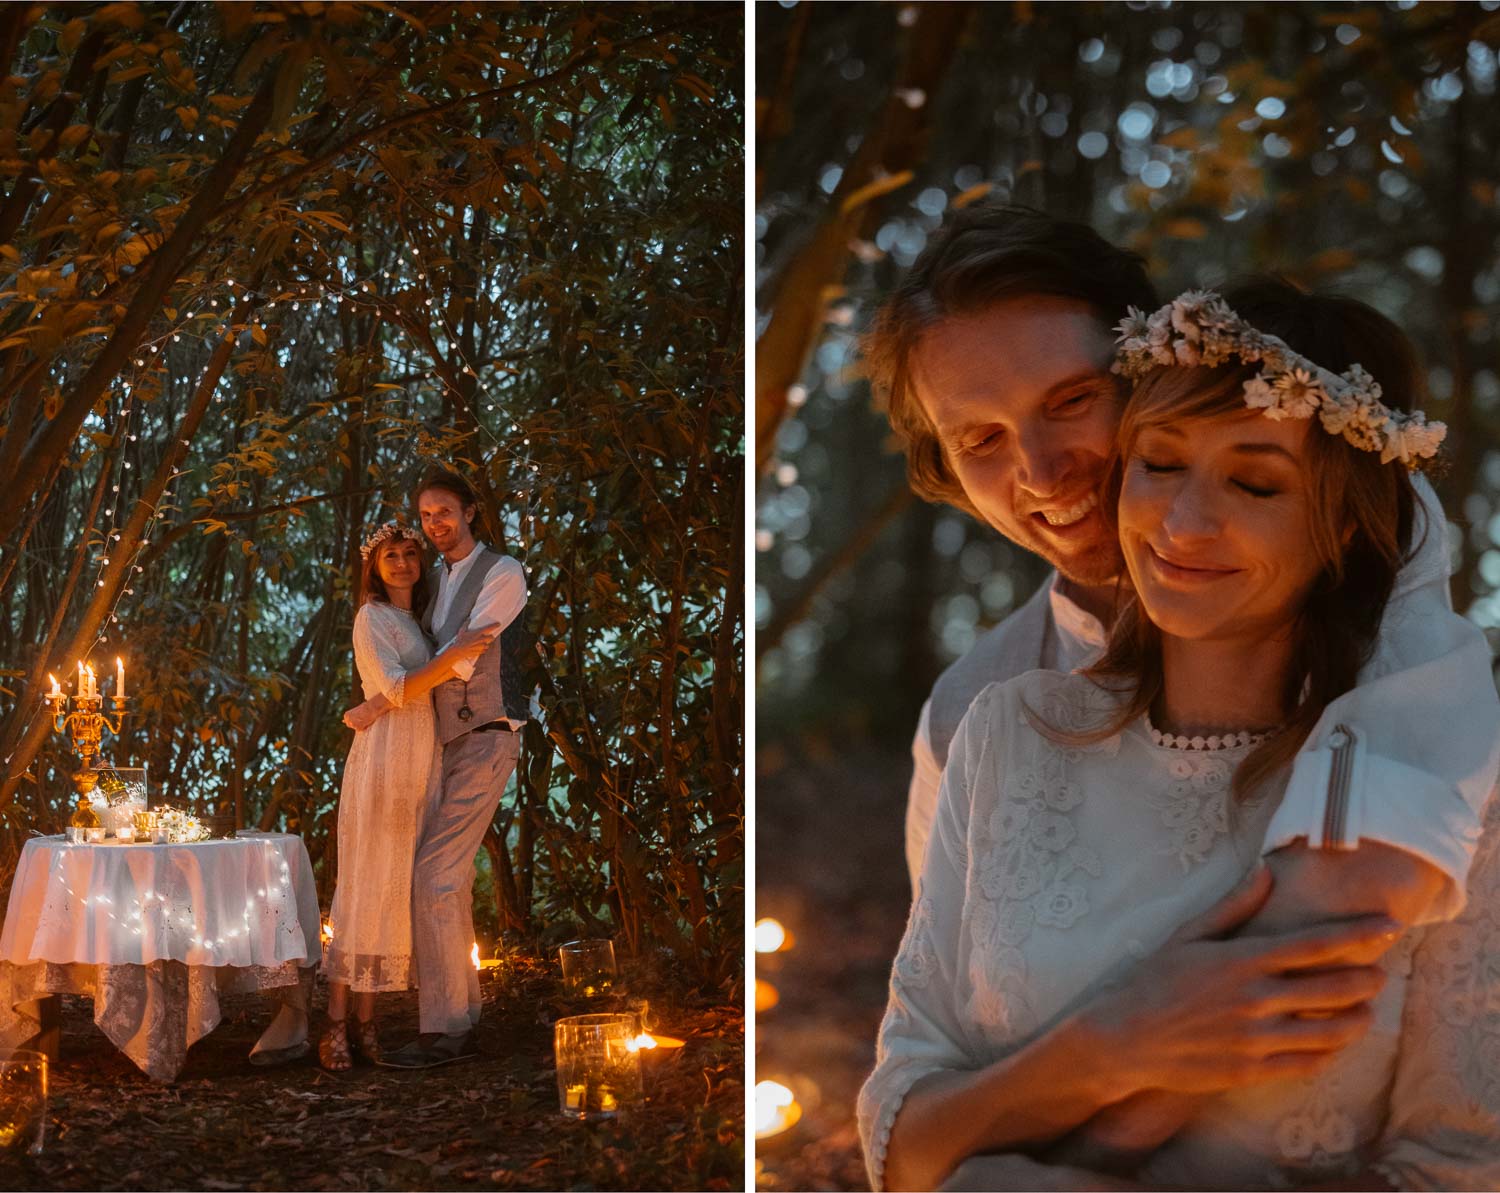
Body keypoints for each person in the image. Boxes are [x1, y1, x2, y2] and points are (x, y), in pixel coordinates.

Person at [858, 282, 1500, 1190]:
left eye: (1255, 480)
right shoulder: (1004, 735)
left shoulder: (1449, 788)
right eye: (1159, 463)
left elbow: (1464, 1166)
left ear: (1345, 527)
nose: (1184, 524)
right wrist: (1110, 1046)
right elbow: (905, 1137)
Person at [867, 202, 1499, 937]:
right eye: (980, 438)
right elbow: (940, 1005)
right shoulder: (964, 713)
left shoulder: (1385, 628)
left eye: (1072, 399)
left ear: (1153, 368)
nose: (1040, 472)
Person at [345, 467, 528, 1068]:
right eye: (425, 516)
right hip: (442, 747)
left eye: (444, 512)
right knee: (446, 876)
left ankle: (446, 1031)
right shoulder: (434, 586)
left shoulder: (501, 573)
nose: (434, 525)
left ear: (470, 511)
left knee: (435, 875)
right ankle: (462, 1014)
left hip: (486, 735)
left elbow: (468, 649)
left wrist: (379, 701)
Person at [318, 522, 499, 1071]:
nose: (401, 562)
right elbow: (394, 687)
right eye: (390, 555)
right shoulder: (371, 617)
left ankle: (368, 1023)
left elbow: (414, 689)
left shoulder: (414, 620)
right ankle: (333, 1025)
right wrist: (450, 658)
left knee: (394, 889)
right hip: (383, 763)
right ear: (373, 568)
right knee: (365, 887)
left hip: (421, 762)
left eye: (409, 553)